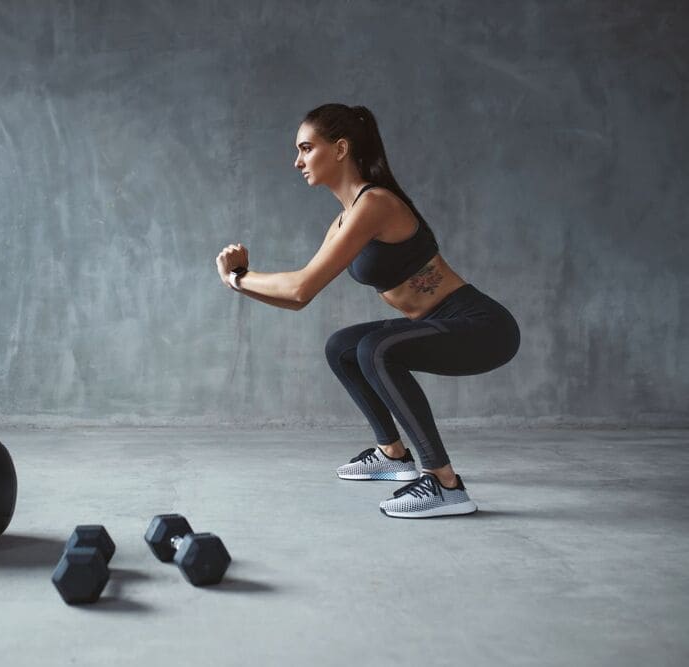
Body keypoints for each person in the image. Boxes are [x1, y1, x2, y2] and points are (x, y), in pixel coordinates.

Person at [214, 103, 520, 519]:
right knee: (342, 346)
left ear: (340, 149)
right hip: (435, 321)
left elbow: (301, 285)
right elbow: (300, 296)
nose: (297, 161)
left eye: (306, 148)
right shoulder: (343, 221)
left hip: (481, 326)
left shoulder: (375, 204)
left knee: (376, 349)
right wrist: (239, 281)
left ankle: (445, 484)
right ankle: (393, 455)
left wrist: (238, 278)